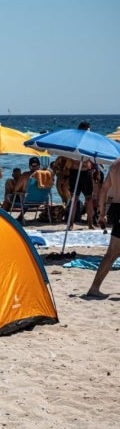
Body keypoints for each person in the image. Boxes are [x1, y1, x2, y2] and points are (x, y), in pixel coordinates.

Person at [85, 158, 120, 299]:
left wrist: (102, 213)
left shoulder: (115, 164)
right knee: (112, 253)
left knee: (112, 253)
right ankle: (94, 288)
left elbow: (104, 189)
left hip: (116, 208)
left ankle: (94, 288)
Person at [66, 122, 96, 229]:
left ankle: (90, 223)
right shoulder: (74, 143)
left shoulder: (90, 143)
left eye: (89, 131)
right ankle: (70, 224)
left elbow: (94, 157)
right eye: (87, 131)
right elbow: (69, 157)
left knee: (89, 199)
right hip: (75, 173)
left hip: (86, 173)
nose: (89, 133)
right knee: (74, 199)